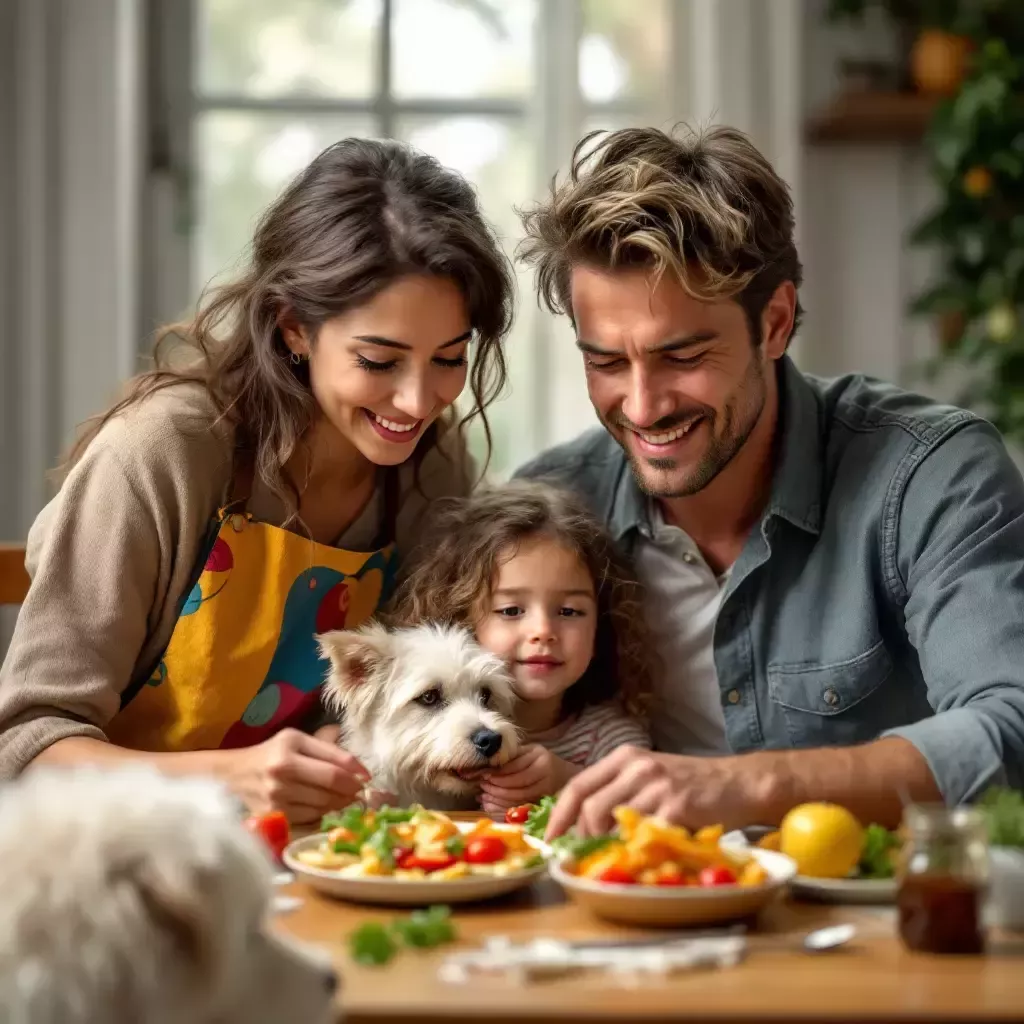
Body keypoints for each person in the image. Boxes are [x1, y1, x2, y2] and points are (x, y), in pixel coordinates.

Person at [513, 124, 1024, 838]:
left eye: (682, 355)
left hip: (881, 934)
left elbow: (1011, 730)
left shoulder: (932, 475)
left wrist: (743, 787)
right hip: (624, 929)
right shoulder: (551, 509)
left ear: (775, 322)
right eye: (605, 363)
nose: (642, 405)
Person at [0, 137, 515, 824]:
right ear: (294, 326)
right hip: (121, 851)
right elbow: (25, 747)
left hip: (308, 850)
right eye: (379, 360)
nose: (419, 403)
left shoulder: (433, 468)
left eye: (449, 359)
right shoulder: (162, 457)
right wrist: (226, 778)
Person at [388, 479, 653, 814]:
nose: (543, 631)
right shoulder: (425, 734)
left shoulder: (610, 740)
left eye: (569, 611)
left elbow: (650, 817)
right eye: (511, 611)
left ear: (601, 627)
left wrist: (567, 782)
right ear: (460, 621)